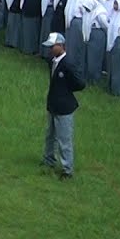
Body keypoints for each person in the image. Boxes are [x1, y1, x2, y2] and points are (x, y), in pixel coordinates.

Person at [41, 32, 86, 180]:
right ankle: (49, 159)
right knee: (50, 135)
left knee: (64, 139)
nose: (50, 50)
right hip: (53, 104)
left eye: (53, 47)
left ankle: (67, 169)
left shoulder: (68, 64)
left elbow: (80, 83)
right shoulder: (53, 61)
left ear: (61, 46)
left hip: (64, 107)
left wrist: (66, 90)